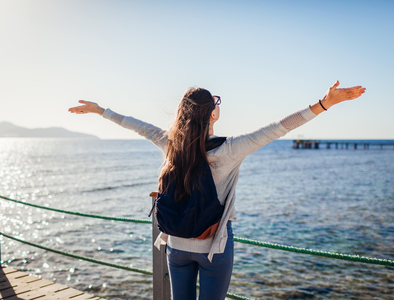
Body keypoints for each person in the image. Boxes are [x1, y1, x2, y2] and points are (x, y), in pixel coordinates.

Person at [68, 81, 365, 300]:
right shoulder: (231, 149)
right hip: (215, 248)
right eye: (216, 103)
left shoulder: (171, 144)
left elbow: (137, 126)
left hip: (176, 245)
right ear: (211, 114)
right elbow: (279, 127)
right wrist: (325, 103)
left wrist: (100, 111)